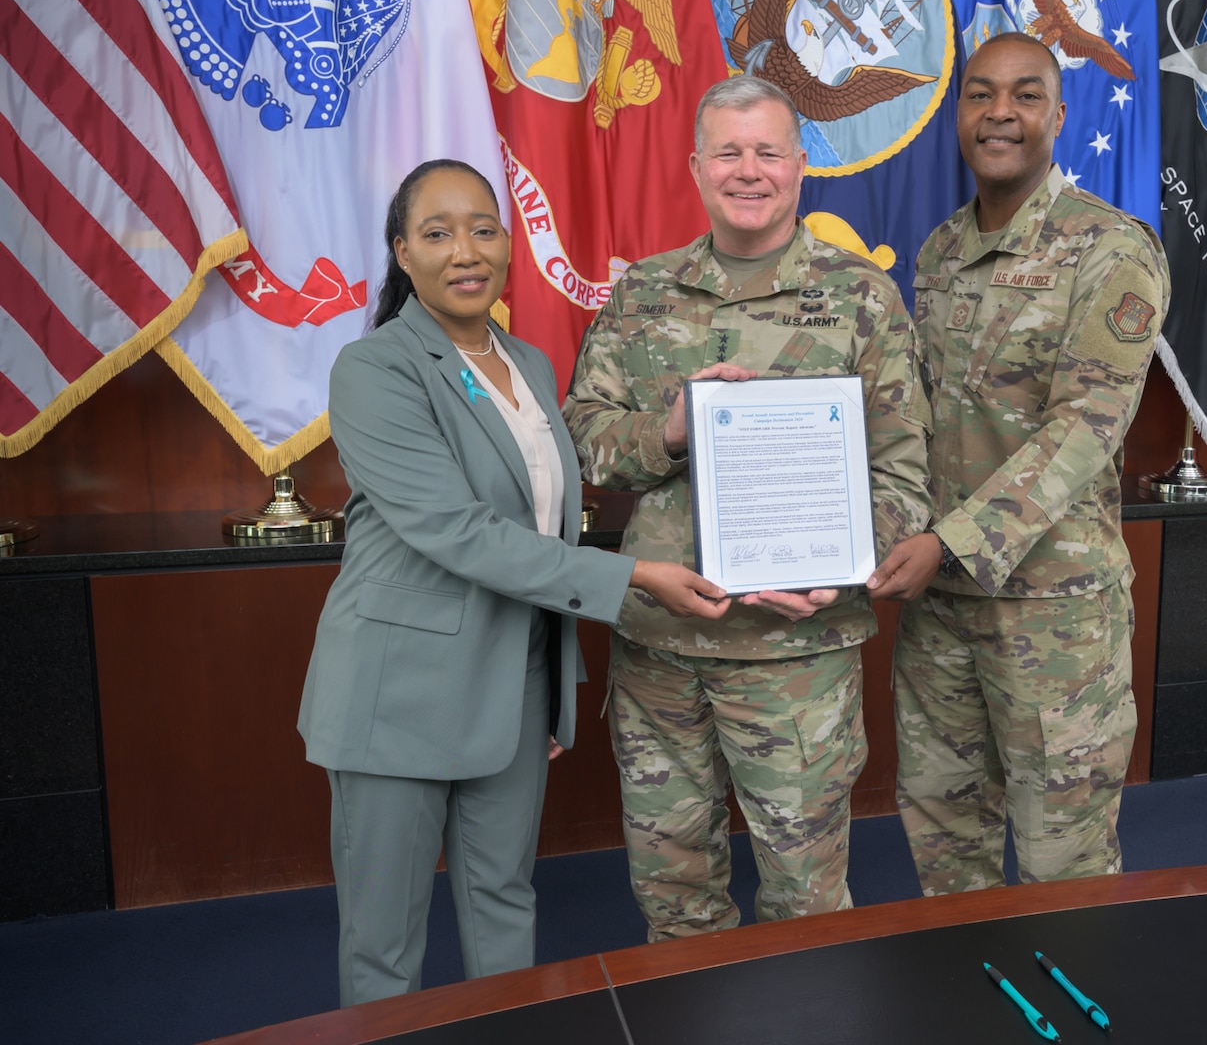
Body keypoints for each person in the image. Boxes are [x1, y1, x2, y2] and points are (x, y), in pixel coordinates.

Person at [298, 159, 730, 1006]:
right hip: (396, 698)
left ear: (508, 245)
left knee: (505, 908)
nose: (466, 250)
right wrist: (634, 575)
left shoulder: (530, 363)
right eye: (437, 232)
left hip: (514, 688)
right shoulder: (375, 370)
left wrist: (555, 688)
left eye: (483, 228)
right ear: (403, 254)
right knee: (385, 946)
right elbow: (457, 533)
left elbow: (546, 525)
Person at [563, 76, 931, 940]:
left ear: (801, 166)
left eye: (768, 151)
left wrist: (839, 566)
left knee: (806, 906)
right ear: (696, 167)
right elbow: (583, 437)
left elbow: (907, 476)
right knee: (674, 898)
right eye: (728, 151)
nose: (749, 170)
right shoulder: (643, 294)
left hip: (795, 656)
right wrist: (673, 430)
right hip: (660, 649)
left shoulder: (861, 297)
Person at [866, 32, 1169, 894]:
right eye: (981, 94)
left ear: (1060, 115)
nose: (1001, 113)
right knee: (942, 842)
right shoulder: (937, 252)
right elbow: (912, 419)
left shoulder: (1111, 251)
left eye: (1026, 95)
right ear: (958, 113)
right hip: (940, 614)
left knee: (1060, 868)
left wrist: (947, 541)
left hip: (1053, 621)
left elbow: (1086, 425)